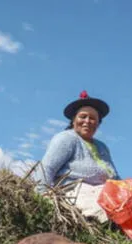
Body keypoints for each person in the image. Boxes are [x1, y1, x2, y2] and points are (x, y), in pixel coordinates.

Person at [40, 90, 120, 222]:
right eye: (83, 116)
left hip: (105, 192)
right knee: (105, 212)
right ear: (73, 120)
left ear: (98, 123)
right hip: (76, 192)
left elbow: (115, 176)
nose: (87, 121)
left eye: (93, 118)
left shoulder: (102, 147)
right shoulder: (66, 138)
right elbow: (46, 168)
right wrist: (43, 197)